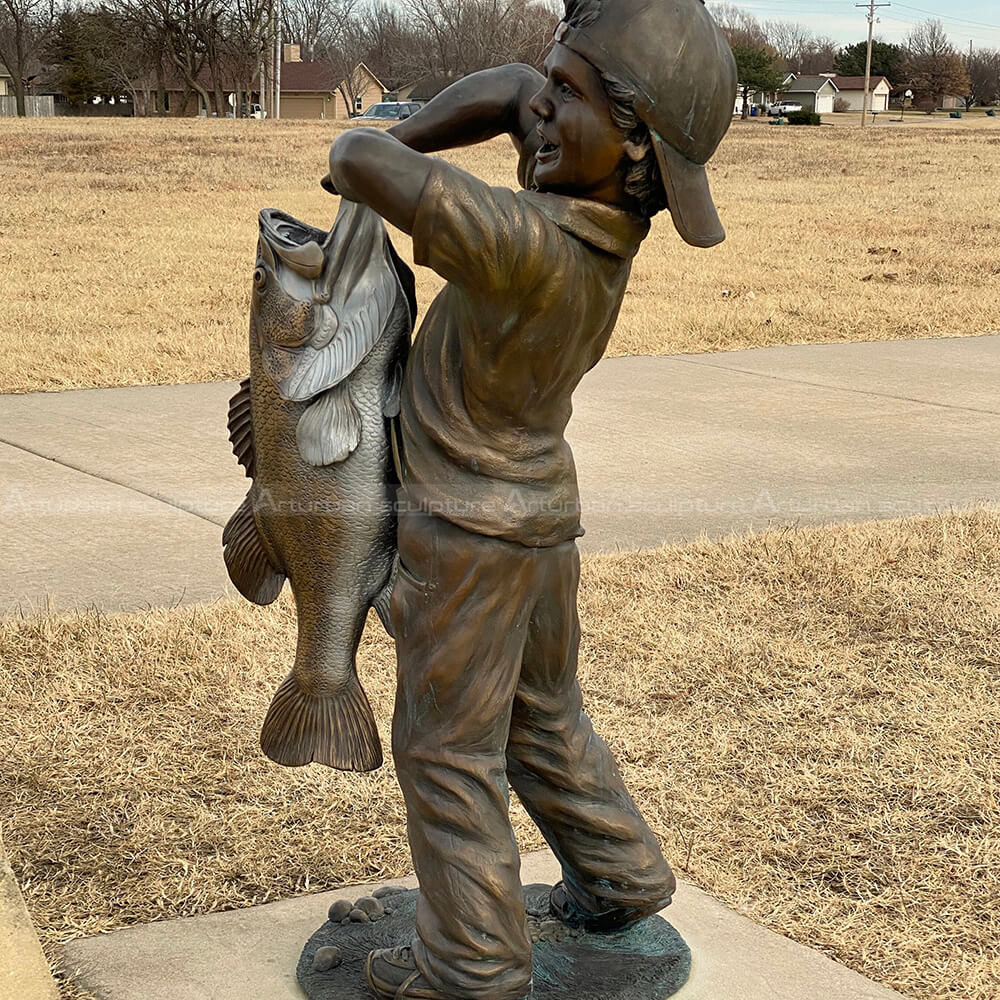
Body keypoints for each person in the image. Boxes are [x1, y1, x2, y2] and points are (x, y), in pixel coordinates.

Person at [325, 2, 736, 997]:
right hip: (538, 516)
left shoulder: (520, 244)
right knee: (542, 717)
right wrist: (540, 92)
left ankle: (471, 959)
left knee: (444, 745)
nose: (539, 110)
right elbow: (514, 91)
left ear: (633, 140)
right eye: (552, 85)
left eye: (570, 97)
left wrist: (373, 142)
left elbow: (363, 160)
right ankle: (618, 871)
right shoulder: (606, 222)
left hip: (465, 534)